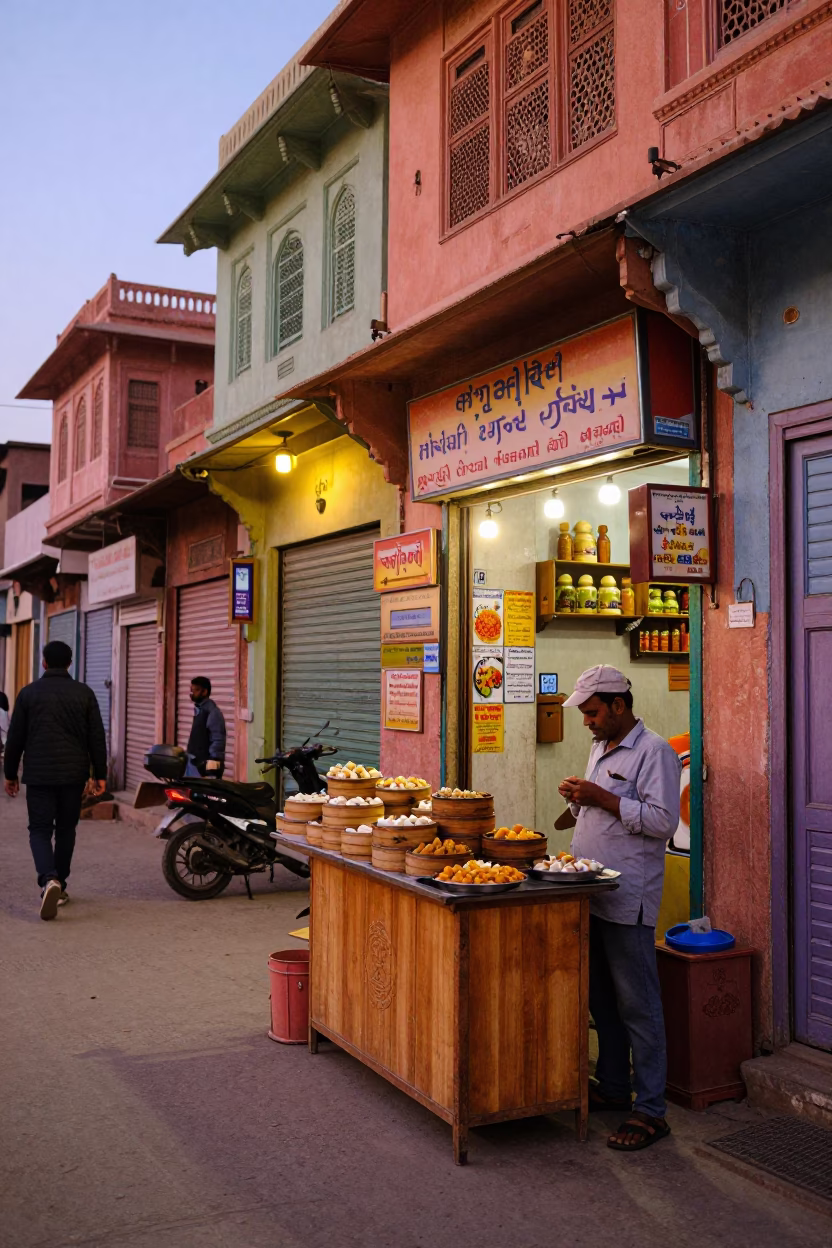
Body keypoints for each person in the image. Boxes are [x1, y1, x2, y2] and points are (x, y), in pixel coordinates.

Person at [558, 664, 681, 1153]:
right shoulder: (600, 746)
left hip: (629, 897)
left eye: (591, 713)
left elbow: (662, 822)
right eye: (584, 714)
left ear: (618, 706)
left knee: (639, 1006)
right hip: (593, 890)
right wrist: (576, 800)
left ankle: (651, 1110)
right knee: (601, 1000)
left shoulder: (655, 753)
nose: (586, 721)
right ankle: (612, 1086)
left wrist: (603, 798)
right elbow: (598, 809)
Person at [4, 640, 107, 920]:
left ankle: (48, 878)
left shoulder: (28, 694)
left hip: (38, 775)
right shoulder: (84, 693)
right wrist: (100, 775)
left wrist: (10, 774)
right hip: (73, 775)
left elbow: (15, 739)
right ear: (70, 664)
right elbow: (97, 737)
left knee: (39, 829)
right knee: (65, 829)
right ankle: (59, 885)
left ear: (44, 662)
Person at [185, 676, 226, 777]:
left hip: (204, 766)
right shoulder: (200, 710)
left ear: (205, 692)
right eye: (192, 690)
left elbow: (218, 738)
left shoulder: (212, 712)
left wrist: (213, 761)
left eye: (196, 690)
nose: (192, 693)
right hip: (194, 763)